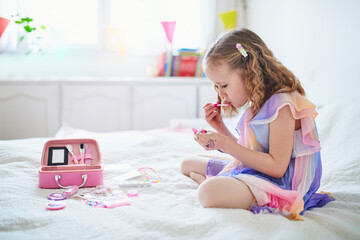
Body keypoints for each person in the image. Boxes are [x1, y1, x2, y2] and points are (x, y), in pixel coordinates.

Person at [180, 28, 334, 220]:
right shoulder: (258, 102)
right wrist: (220, 128)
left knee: (208, 192)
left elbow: (277, 167)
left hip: (282, 185)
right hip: (259, 172)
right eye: (216, 86)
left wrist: (224, 144)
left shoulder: (282, 104)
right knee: (187, 163)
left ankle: (208, 182)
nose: (221, 94)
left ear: (248, 72)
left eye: (224, 85)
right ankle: (215, 182)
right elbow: (250, 152)